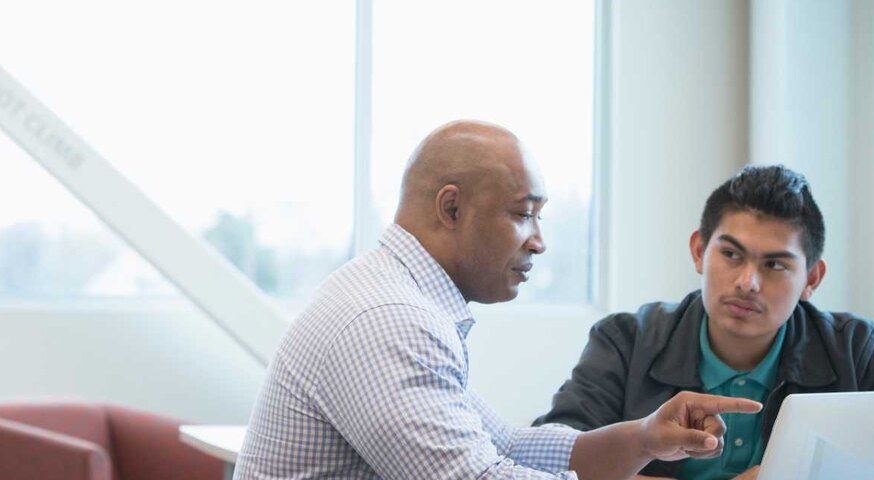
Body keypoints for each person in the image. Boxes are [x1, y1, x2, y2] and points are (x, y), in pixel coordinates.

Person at [234, 120, 763, 480]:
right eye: (522, 213)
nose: (538, 239)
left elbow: (506, 446)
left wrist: (646, 440)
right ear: (452, 208)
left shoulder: (400, 297)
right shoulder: (388, 320)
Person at [537, 165, 874, 480]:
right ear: (700, 250)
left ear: (812, 278)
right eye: (731, 254)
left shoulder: (853, 350)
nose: (747, 283)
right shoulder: (626, 341)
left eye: (775, 265)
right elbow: (544, 465)